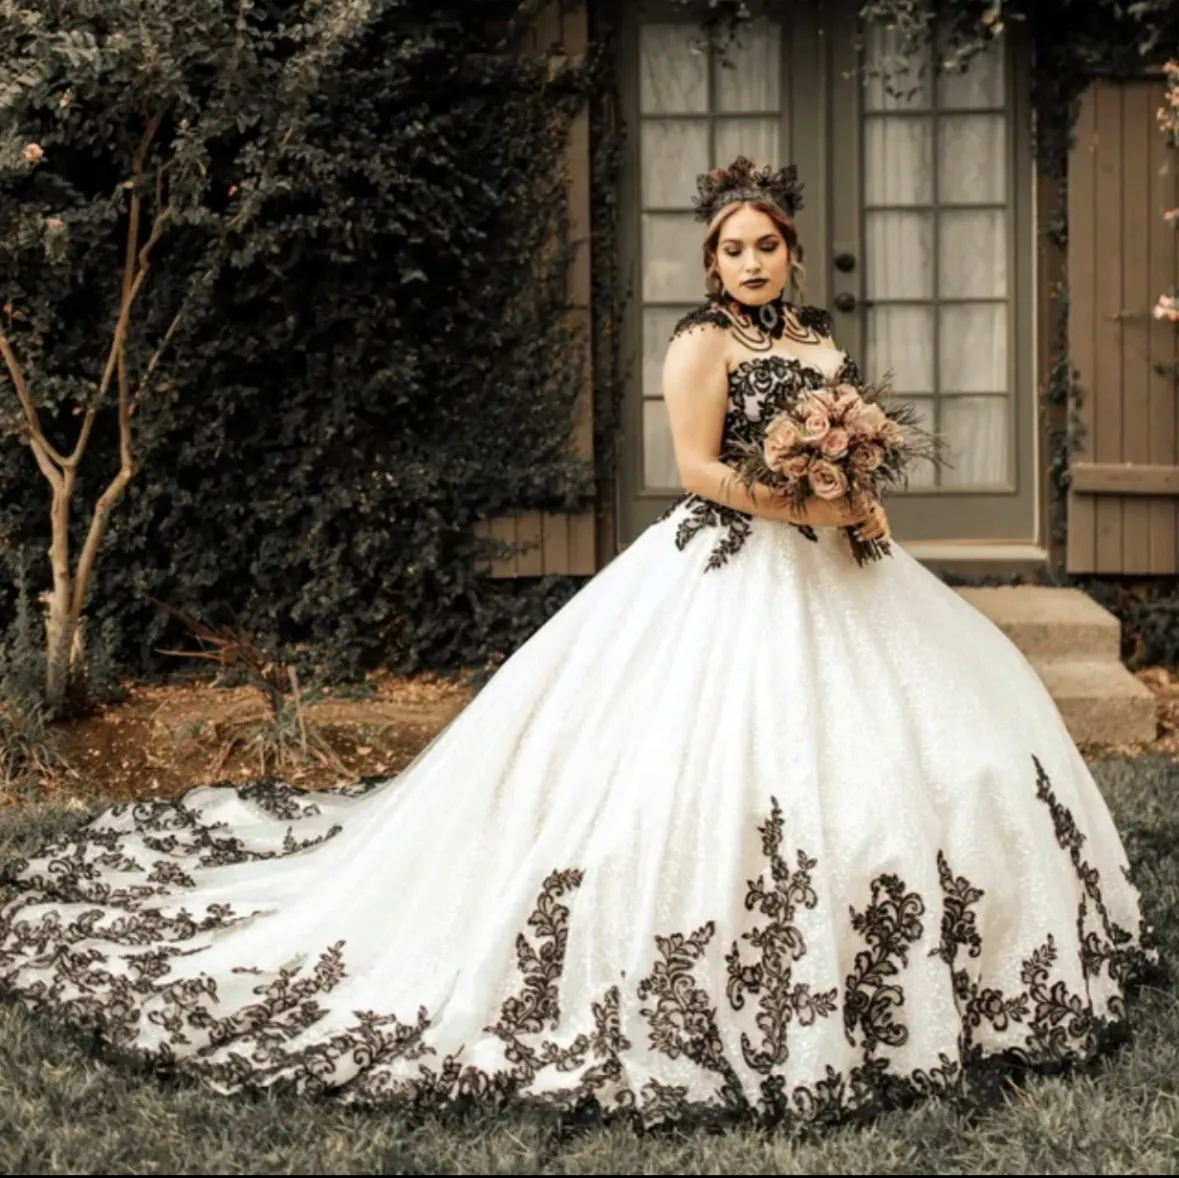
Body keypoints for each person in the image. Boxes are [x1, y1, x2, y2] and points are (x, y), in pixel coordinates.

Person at [0, 157, 1157, 1133]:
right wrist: (803, 501)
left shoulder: (819, 346)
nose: (752, 261)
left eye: (768, 245)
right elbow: (699, 472)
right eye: (734, 248)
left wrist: (860, 498)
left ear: (791, 254)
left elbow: (845, 458)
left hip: (847, 568)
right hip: (727, 569)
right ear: (712, 264)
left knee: (954, 753)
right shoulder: (702, 345)